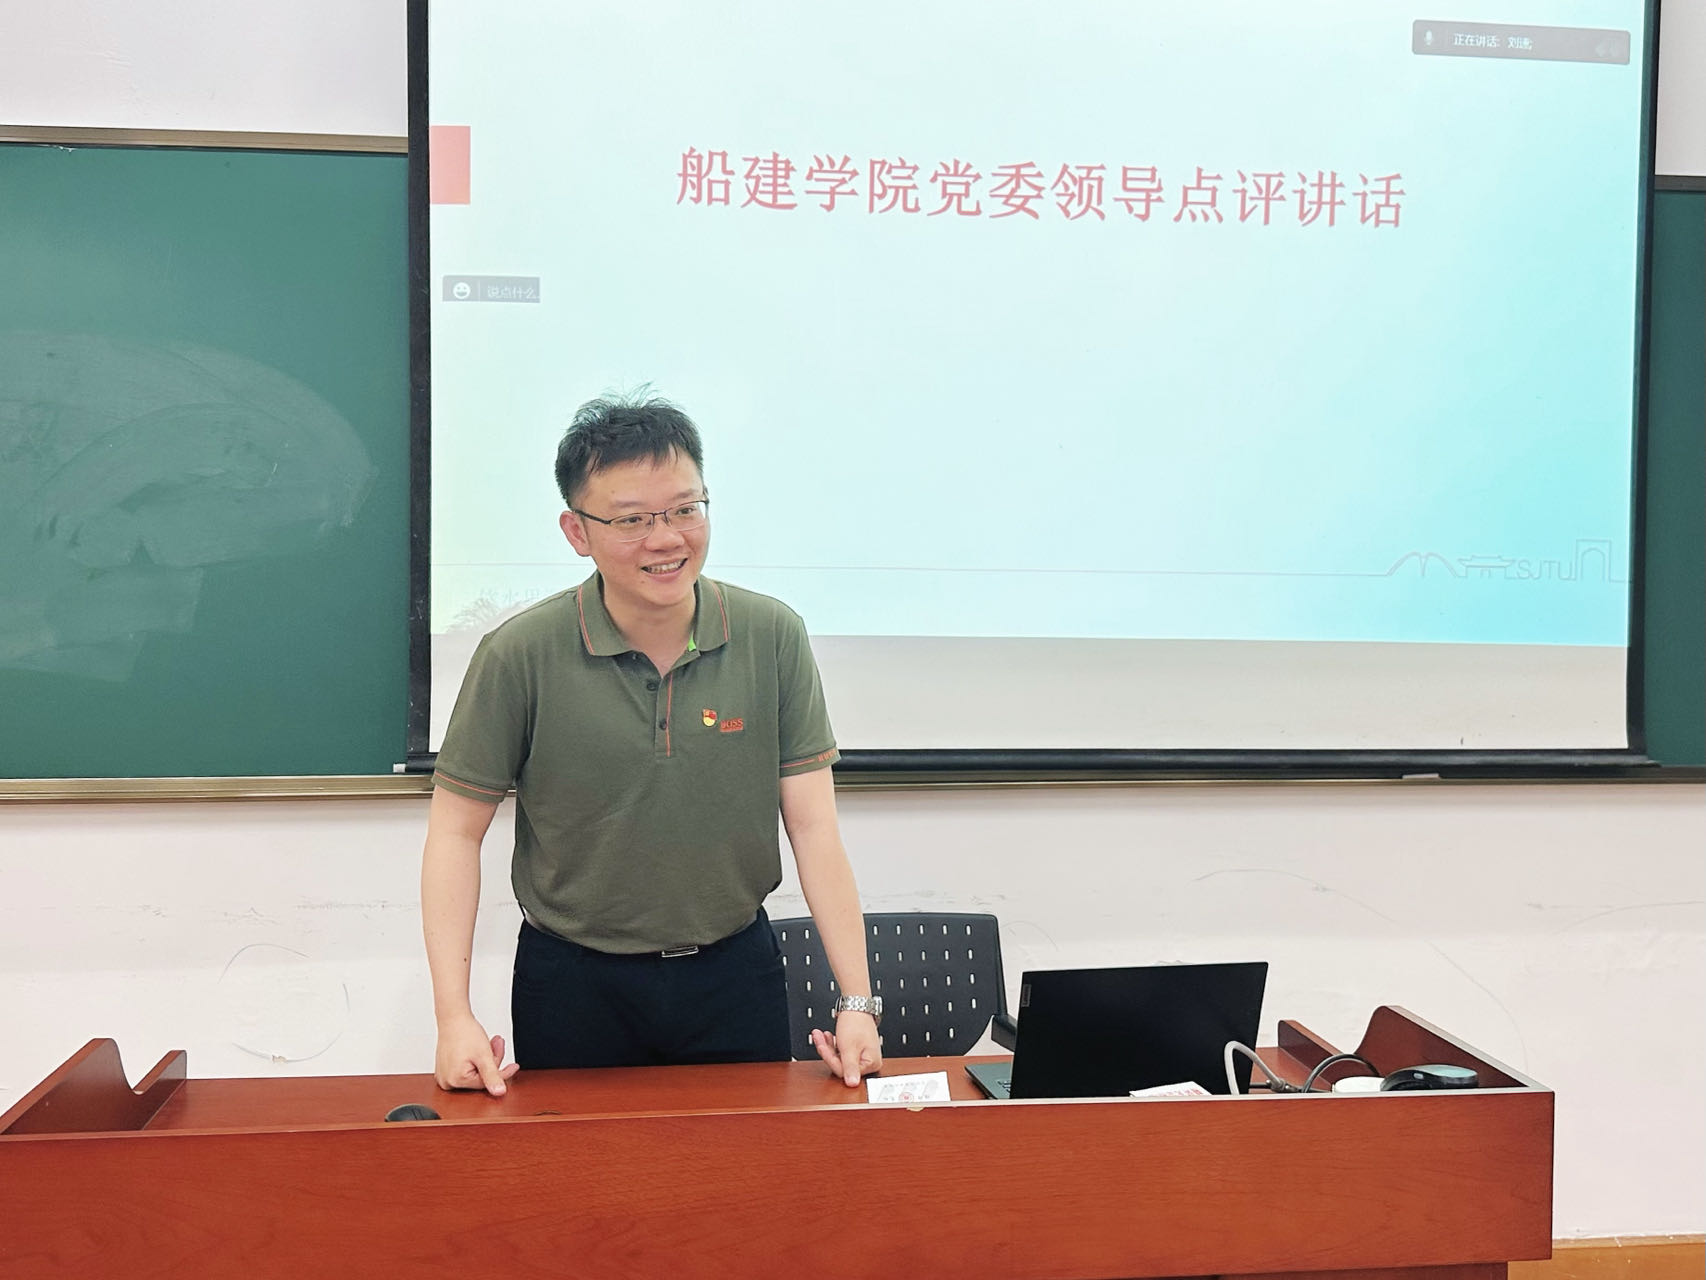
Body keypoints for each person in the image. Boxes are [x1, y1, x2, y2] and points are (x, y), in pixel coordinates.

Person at [421, 392, 881, 1093]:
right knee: (580, 1163)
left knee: (748, 1160)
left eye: (685, 510)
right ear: (576, 531)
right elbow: (455, 833)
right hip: (574, 980)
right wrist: (451, 1017)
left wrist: (857, 1000)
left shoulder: (771, 635)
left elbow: (815, 828)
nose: (666, 540)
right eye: (632, 520)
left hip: (735, 971)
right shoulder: (520, 654)